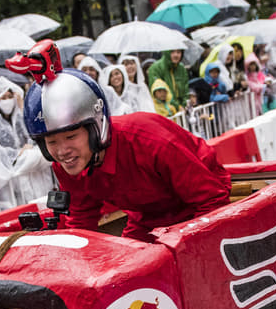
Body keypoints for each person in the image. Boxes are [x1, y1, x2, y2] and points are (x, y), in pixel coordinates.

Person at [22, 59, 230, 243]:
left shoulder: (151, 141)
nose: (62, 151)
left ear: (96, 127)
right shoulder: (67, 164)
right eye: (51, 142)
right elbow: (81, 218)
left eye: (70, 137)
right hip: (147, 216)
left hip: (200, 206)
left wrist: (185, 246)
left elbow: (212, 201)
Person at [0, 77, 31, 149]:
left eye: (10, 97)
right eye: (3, 98)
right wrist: (18, 154)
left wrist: (22, 108)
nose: (7, 100)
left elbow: (32, 134)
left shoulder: (19, 117)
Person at [146, 49, 189, 115]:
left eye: (178, 52)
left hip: (182, 111)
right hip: (165, 112)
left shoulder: (181, 68)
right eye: (172, 52)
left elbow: (186, 89)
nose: (176, 55)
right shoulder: (155, 68)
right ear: (167, 53)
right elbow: (158, 93)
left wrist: (185, 105)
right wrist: (177, 107)